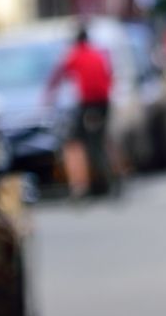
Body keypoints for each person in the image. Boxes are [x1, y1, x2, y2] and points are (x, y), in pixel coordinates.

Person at [44, 26, 116, 197]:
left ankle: (95, 183)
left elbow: (59, 73)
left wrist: (49, 95)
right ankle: (105, 181)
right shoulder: (97, 53)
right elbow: (109, 75)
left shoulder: (76, 55)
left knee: (87, 143)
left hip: (90, 104)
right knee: (97, 139)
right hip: (104, 103)